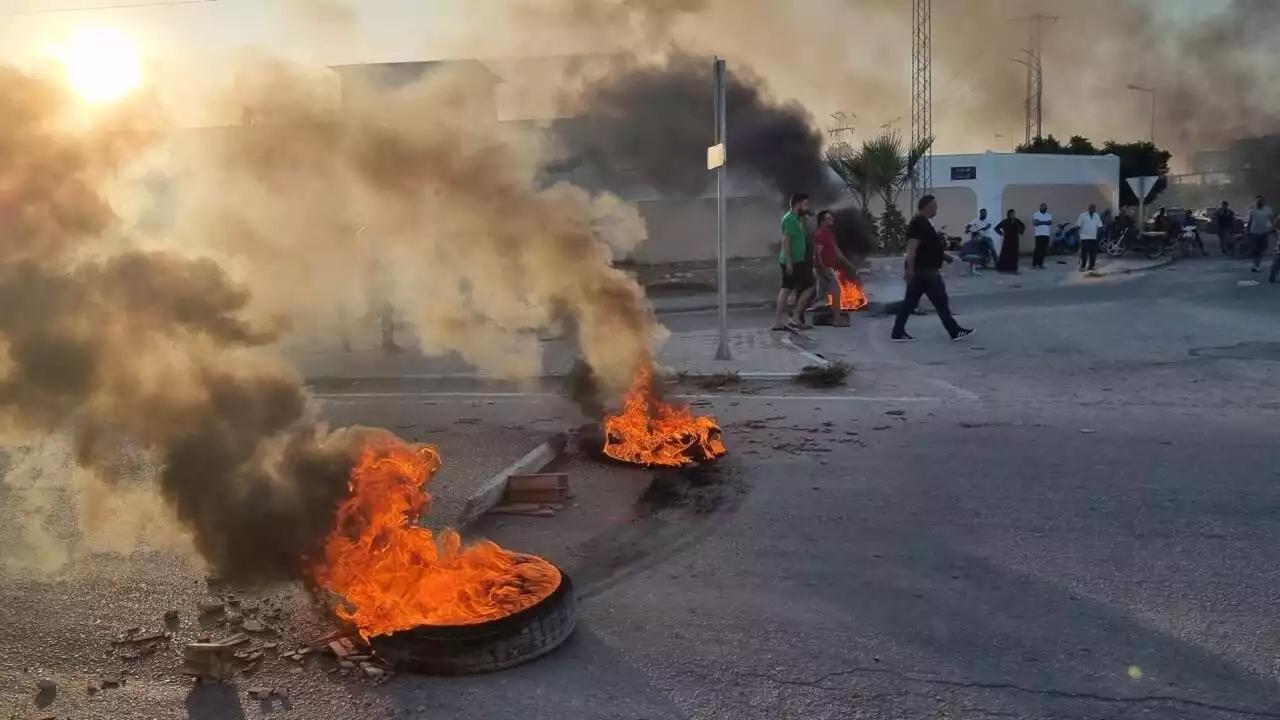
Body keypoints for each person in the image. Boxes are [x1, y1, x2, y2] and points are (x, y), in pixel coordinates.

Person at [891, 194, 974, 342]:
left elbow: (929, 247)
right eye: (934, 206)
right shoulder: (918, 223)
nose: (936, 209)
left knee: (910, 303)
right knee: (940, 300)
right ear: (928, 206)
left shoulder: (924, 223)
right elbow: (912, 248)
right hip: (925, 271)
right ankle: (954, 331)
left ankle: (897, 332)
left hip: (923, 271)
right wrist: (909, 270)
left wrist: (946, 257)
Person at [773, 193, 816, 331]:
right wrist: (790, 263)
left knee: (786, 289)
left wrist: (804, 218)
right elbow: (786, 241)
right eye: (805, 204)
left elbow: (807, 231)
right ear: (798, 204)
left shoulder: (796, 218)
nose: (807, 207)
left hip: (794, 259)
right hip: (794, 261)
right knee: (810, 285)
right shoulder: (790, 219)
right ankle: (795, 317)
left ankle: (778, 323)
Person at [813, 210, 858, 322]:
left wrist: (849, 265)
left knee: (819, 295)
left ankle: (797, 311)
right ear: (822, 222)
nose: (831, 220)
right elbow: (817, 253)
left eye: (831, 218)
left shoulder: (830, 235)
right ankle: (837, 319)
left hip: (828, 267)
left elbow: (836, 251)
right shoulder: (820, 234)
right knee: (836, 291)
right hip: (824, 268)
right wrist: (823, 268)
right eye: (828, 219)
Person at [1246, 195, 1275, 273]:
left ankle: (1256, 264)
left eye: (1261, 200)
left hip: (1264, 231)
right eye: (1258, 200)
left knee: (1263, 247)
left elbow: (1272, 220)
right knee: (1256, 249)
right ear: (1256, 201)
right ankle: (1256, 265)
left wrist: (1272, 228)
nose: (1259, 202)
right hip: (1254, 232)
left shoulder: (1268, 209)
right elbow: (1249, 220)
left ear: (1264, 202)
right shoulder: (1252, 209)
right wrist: (1247, 230)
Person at [1075, 203, 1104, 272]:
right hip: (1084, 238)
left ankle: (1091, 266)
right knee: (1084, 253)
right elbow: (1078, 225)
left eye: (1094, 208)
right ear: (1088, 208)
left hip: (1093, 238)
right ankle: (1082, 266)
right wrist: (1077, 232)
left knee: (1093, 254)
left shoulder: (1096, 216)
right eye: (1091, 208)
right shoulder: (1083, 215)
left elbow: (1100, 226)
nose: (1093, 209)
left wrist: (1099, 234)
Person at [995, 208, 1026, 273]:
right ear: (1008, 214)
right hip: (1007, 240)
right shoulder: (1005, 221)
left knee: (1014, 254)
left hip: (1015, 240)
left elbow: (1023, 226)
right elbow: (996, 228)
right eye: (1011, 214)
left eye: (1013, 214)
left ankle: (1013, 268)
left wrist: (1020, 231)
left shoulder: (1017, 221)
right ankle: (1004, 268)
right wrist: (1001, 233)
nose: (1013, 215)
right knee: (1006, 254)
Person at [1031, 202, 1053, 269]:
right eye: (1042, 207)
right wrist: (1045, 222)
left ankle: (1040, 264)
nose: (1044, 208)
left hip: (1046, 234)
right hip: (1038, 234)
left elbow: (1050, 223)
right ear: (1040, 207)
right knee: (1037, 249)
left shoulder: (1049, 215)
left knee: (1043, 250)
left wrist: (1040, 222)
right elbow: (1035, 223)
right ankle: (1034, 264)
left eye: (1045, 207)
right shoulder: (1036, 214)